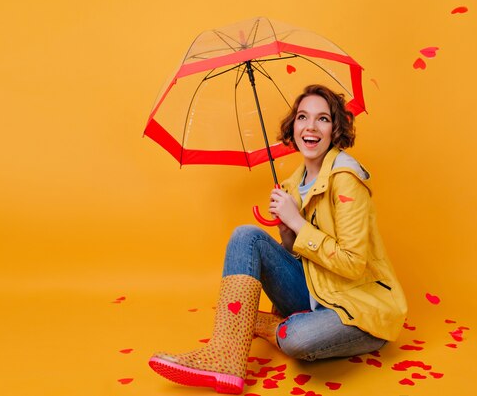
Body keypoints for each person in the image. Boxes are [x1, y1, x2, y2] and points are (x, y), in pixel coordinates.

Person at [148, 84, 408, 394]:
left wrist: (297, 222)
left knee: (296, 338)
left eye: (322, 119)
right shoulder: (291, 185)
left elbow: (353, 265)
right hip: (315, 293)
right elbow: (300, 263)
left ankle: (266, 325)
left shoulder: (346, 181)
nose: (310, 126)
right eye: (302, 117)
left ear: (335, 129)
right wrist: (287, 233)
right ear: (293, 126)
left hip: (358, 310)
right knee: (247, 236)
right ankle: (226, 358)